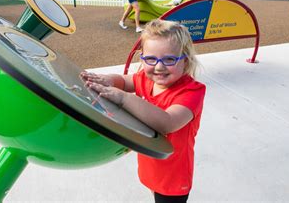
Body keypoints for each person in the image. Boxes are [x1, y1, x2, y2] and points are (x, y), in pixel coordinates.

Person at [81, 19, 206, 203]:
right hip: (150, 165)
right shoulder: (147, 79)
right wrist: (109, 80)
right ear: (143, 58)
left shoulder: (192, 92)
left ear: (185, 61)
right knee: (153, 192)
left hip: (174, 177)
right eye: (151, 59)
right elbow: (124, 81)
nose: (159, 67)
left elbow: (167, 123)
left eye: (169, 59)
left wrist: (124, 97)